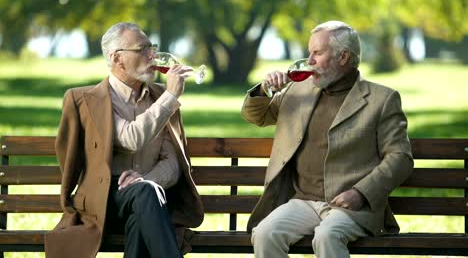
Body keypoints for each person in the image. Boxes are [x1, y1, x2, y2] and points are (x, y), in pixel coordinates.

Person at [241, 20, 413, 257]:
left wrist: (360, 193)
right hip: (302, 201)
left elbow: (400, 158)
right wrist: (264, 89)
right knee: (265, 234)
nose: (309, 61)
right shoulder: (297, 90)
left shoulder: (381, 99)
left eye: (317, 53)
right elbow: (256, 116)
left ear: (343, 57)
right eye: (309, 52)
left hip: (351, 205)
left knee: (327, 236)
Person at [45, 22, 204, 258]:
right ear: (117, 58)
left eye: (152, 48)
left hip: (149, 201)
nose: (152, 56)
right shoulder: (88, 100)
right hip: (104, 201)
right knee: (145, 198)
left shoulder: (160, 96)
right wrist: (171, 96)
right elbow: (131, 138)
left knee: (143, 207)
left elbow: (173, 163)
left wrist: (145, 181)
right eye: (142, 49)